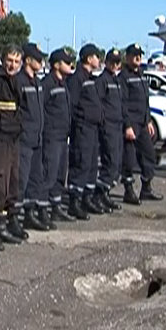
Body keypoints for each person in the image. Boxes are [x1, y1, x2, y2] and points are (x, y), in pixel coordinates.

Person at [0, 43, 25, 249]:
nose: (13, 65)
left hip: (13, 138)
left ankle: (6, 222)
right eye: (10, 60)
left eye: (17, 61)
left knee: (12, 183)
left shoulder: (17, 81)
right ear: (2, 60)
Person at [119, 43, 162, 202]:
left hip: (143, 122)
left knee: (149, 154)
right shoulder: (123, 77)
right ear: (128, 57)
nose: (138, 58)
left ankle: (146, 188)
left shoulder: (142, 74)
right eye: (135, 55)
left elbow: (146, 100)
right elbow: (122, 103)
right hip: (131, 123)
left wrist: (149, 120)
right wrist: (127, 125)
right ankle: (128, 191)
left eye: (140, 55)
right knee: (129, 160)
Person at [66, 43, 104, 219]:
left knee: (91, 165)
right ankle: (74, 201)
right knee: (81, 163)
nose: (99, 60)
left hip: (93, 129)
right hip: (82, 129)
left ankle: (86, 198)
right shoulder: (77, 79)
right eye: (96, 56)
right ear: (89, 59)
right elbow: (72, 105)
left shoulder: (90, 78)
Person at [15, 42, 50, 231]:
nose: (41, 62)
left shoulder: (37, 82)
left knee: (36, 178)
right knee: (22, 179)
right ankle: (15, 218)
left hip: (37, 138)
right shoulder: (19, 81)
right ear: (28, 60)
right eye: (38, 59)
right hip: (24, 139)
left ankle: (29, 214)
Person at [41, 48, 75, 222]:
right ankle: (42, 209)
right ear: (56, 65)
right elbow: (42, 110)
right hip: (51, 136)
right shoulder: (47, 84)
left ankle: (56, 206)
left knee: (61, 174)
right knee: (49, 174)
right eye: (66, 62)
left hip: (63, 136)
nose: (70, 65)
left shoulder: (63, 83)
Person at [95, 48, 126, 211]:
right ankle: (98, 194)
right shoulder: (102, 80)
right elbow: (99, 104)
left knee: (117, 164)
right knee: (110, 162)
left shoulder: (117, 81)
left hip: (118, 125)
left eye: (117, 62)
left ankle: (105, 192)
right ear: (106, 63)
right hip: (108, 126)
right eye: (112, 62)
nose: (115, 65)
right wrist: (103, 122)